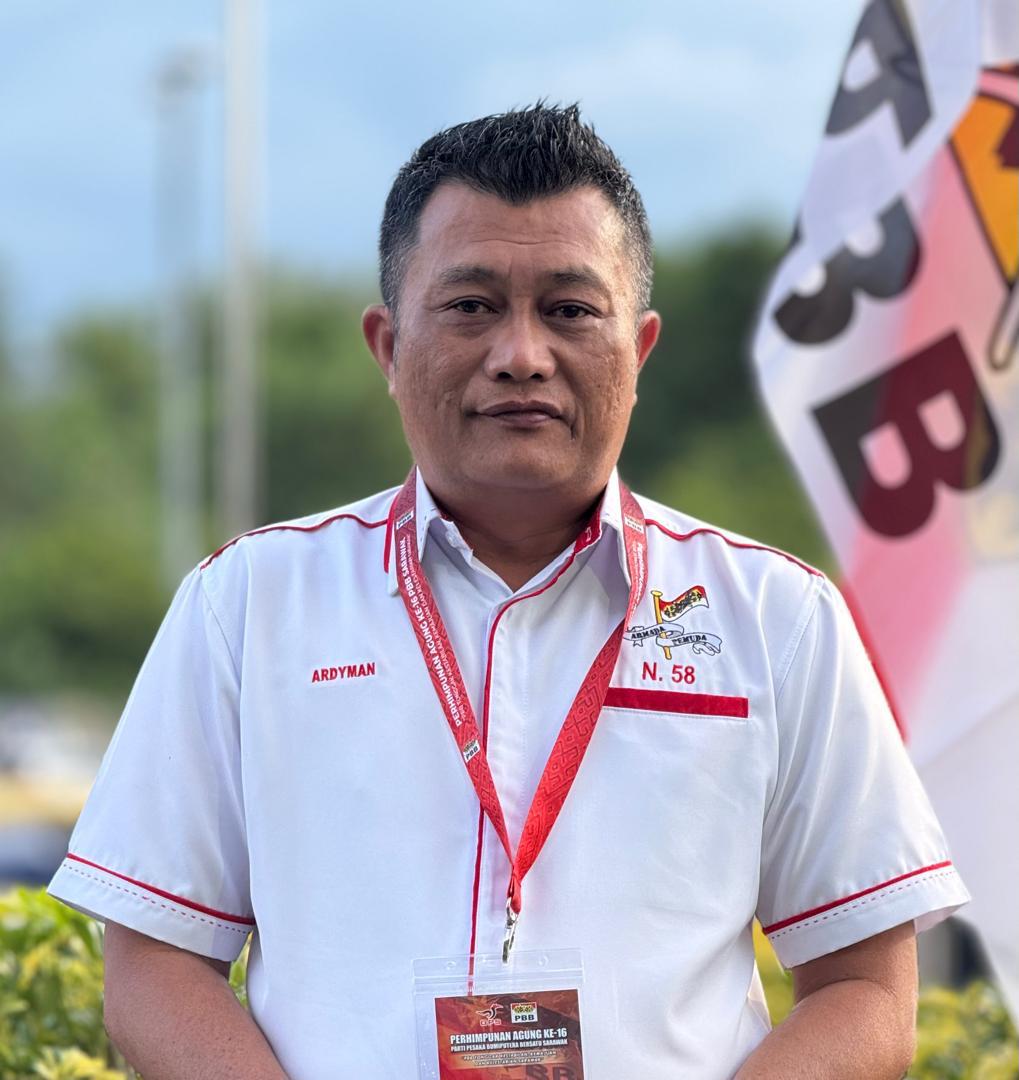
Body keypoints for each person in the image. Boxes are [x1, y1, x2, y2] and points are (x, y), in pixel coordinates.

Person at [49, 104, 969, 1080]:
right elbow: (152, 967)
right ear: (386, 346)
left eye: (569, 310)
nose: (521, 355)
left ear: (640, 349)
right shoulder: (246, 606)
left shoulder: (777, 620)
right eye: (470, 306)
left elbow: (865, 993)